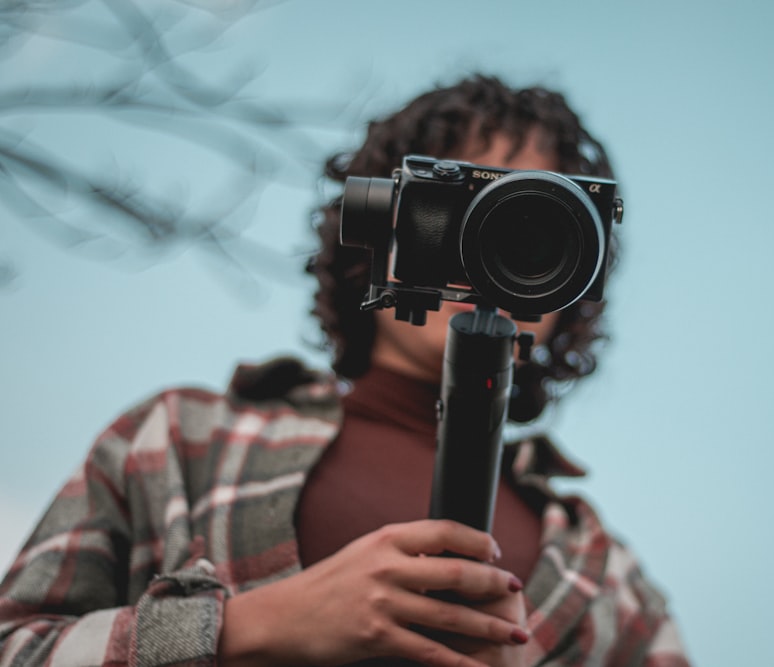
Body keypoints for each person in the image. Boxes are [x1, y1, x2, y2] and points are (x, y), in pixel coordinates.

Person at [0, 74, 690, 667]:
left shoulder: (610, 579)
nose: (488, 257)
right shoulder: (177, 439)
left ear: (575, 282)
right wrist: (252, 627)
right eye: (461, 211)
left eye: (532, 229)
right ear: (379, 227)